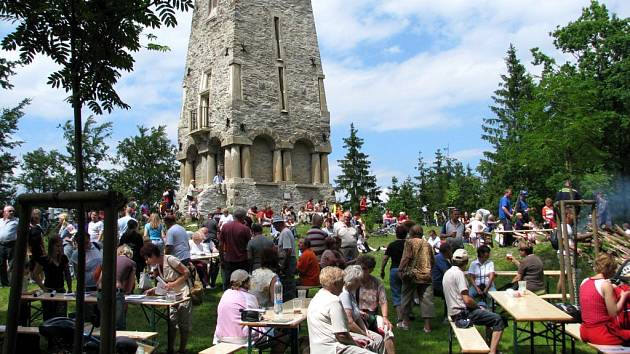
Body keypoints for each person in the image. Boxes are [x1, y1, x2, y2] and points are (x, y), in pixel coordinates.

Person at [444, 249, 504, 354]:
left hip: (453, 312)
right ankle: (493, 352)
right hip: (462, 314)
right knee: (498, 319)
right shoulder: (459, 274)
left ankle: (489, 345)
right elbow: (467, 300)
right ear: (466, 262)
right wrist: (477, 306)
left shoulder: (448, 272)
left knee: (487, 315)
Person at [307, 266, 373, 354]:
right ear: (334, 284)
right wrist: (356, 345)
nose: (343, 286)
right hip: (332, 349)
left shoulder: (317, 297)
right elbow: (341, 335)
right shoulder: (333, 301)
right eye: (342, 282)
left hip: (318, 349)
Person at [142, 242, 191, 353]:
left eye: (147, 258)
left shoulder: (170, 260)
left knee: (184, 324)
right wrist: (153, 290)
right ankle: (170, 349)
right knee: (171, 323)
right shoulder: (157, 267)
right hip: (170, 297)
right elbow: (163, 284)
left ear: (153, 256)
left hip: (183, 294)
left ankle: (182, 349)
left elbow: (186, 273)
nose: (146, 261)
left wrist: (173, 284)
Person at [579, 253, 630, 345]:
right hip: (601, 333)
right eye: (614, 269)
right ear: (609, 269)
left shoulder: (585, 281)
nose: (614, 272)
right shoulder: (606, 285)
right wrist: (624, 296)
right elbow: (613, 312)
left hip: (584, 331)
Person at [340, 265, 389, 354]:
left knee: (379, 338)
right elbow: (350, 323)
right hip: (348, 332)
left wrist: (366, 331)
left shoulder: (350, 292)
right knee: (370, 342)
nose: (360, 284)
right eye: (359, 281)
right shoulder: (344, 295)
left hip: (357, 328)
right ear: (352, 281)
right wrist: (363, 333)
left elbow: (357, 317)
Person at [398, 225, 434, 332]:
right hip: (426, 275)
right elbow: (432, 260)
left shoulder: (409, 242)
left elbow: (407, 257)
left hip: (411, 275)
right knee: (427, 300)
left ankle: (405, 323)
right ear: (421, 233)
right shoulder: (427, 244)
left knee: (406, 298)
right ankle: (427, 326)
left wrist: (400, 269)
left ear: (411, 233)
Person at [355, 255, 395, 348]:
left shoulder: (377, 282)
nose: (360, 271)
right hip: (356, 316)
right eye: (358, 268)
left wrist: (385, 317)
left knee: (388, 331)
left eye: (364, 268)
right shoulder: (353, 282)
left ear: (371, 269)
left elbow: (383, 301)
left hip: (371, 316)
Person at [213, 269, 258, 344]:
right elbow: (257, 316)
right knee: (277, 336)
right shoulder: (249, 297)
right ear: (246, 283)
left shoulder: (226, 293)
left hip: (220, 336)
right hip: (240, 338)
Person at [34, 237, 72, 320]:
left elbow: (67, 274)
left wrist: (70, 288)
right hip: (49, 291)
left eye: (61, 246)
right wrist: (43, 288)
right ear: (52, 246)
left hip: (61, 290)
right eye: (57, 246)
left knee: (61, 317)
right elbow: (35, 274)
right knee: (49, 317)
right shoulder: (44, 259)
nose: (60, 248)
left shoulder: (63, 258)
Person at [380, 224, 407, 324]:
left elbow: (385, 258)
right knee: (407, 293)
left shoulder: (392, 245)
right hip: (406, 270)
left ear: (396, 234)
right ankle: (408, 314)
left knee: (396, 294)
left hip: (394, 270)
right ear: (406, 234)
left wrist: (382, 270)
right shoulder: (409, 245)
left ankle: (400, 318)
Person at [219, 208, 251, 291]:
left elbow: (220, 245)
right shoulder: (245, 229)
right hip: (242, 260)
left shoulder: (225, 227)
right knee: (243, 283)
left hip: (229, 259)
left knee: (228, 282)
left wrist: (221, 258)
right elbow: (249, 246)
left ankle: (227, 299)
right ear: (243, 217)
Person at [273, 215, 297, 300]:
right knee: (287, 282)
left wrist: (283, 265)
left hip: (288, 260)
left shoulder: (285, 232)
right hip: (288, 259)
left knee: (288, 283)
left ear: (279, 224)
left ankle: (290, 300)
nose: (274, 227)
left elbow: (288, 250)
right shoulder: (284, 232)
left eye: (275, 225)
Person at [0, 205, 18, 287]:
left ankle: (12, 282)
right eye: (10, 211)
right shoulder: (0, 221)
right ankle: (5, 283)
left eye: (13, 211)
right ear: (4, 212)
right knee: (1, 264)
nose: (12, 212)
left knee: (12, 264)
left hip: (11, 244)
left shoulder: (17, 221)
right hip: (1, 245)